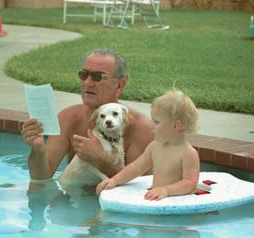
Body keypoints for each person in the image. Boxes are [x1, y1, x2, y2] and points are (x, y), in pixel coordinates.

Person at [21, 48, 154, 180]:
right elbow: (40, 178)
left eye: (98, 77)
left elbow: (139, 191)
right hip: (72, 198)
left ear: (120, 85)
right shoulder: (68, 118)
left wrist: (102, 161)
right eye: (84, 75)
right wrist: (37, 151)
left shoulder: (141, 128)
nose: (87, 83)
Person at [96, 90, 200, 201]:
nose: (152, 127)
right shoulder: (154, 147)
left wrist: (166, 190)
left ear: (175, 125)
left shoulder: (188, 154)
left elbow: (190, 183)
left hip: (177, 203)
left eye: (156, 122)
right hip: (157, 199)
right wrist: (114, 180)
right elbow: (136, 168)